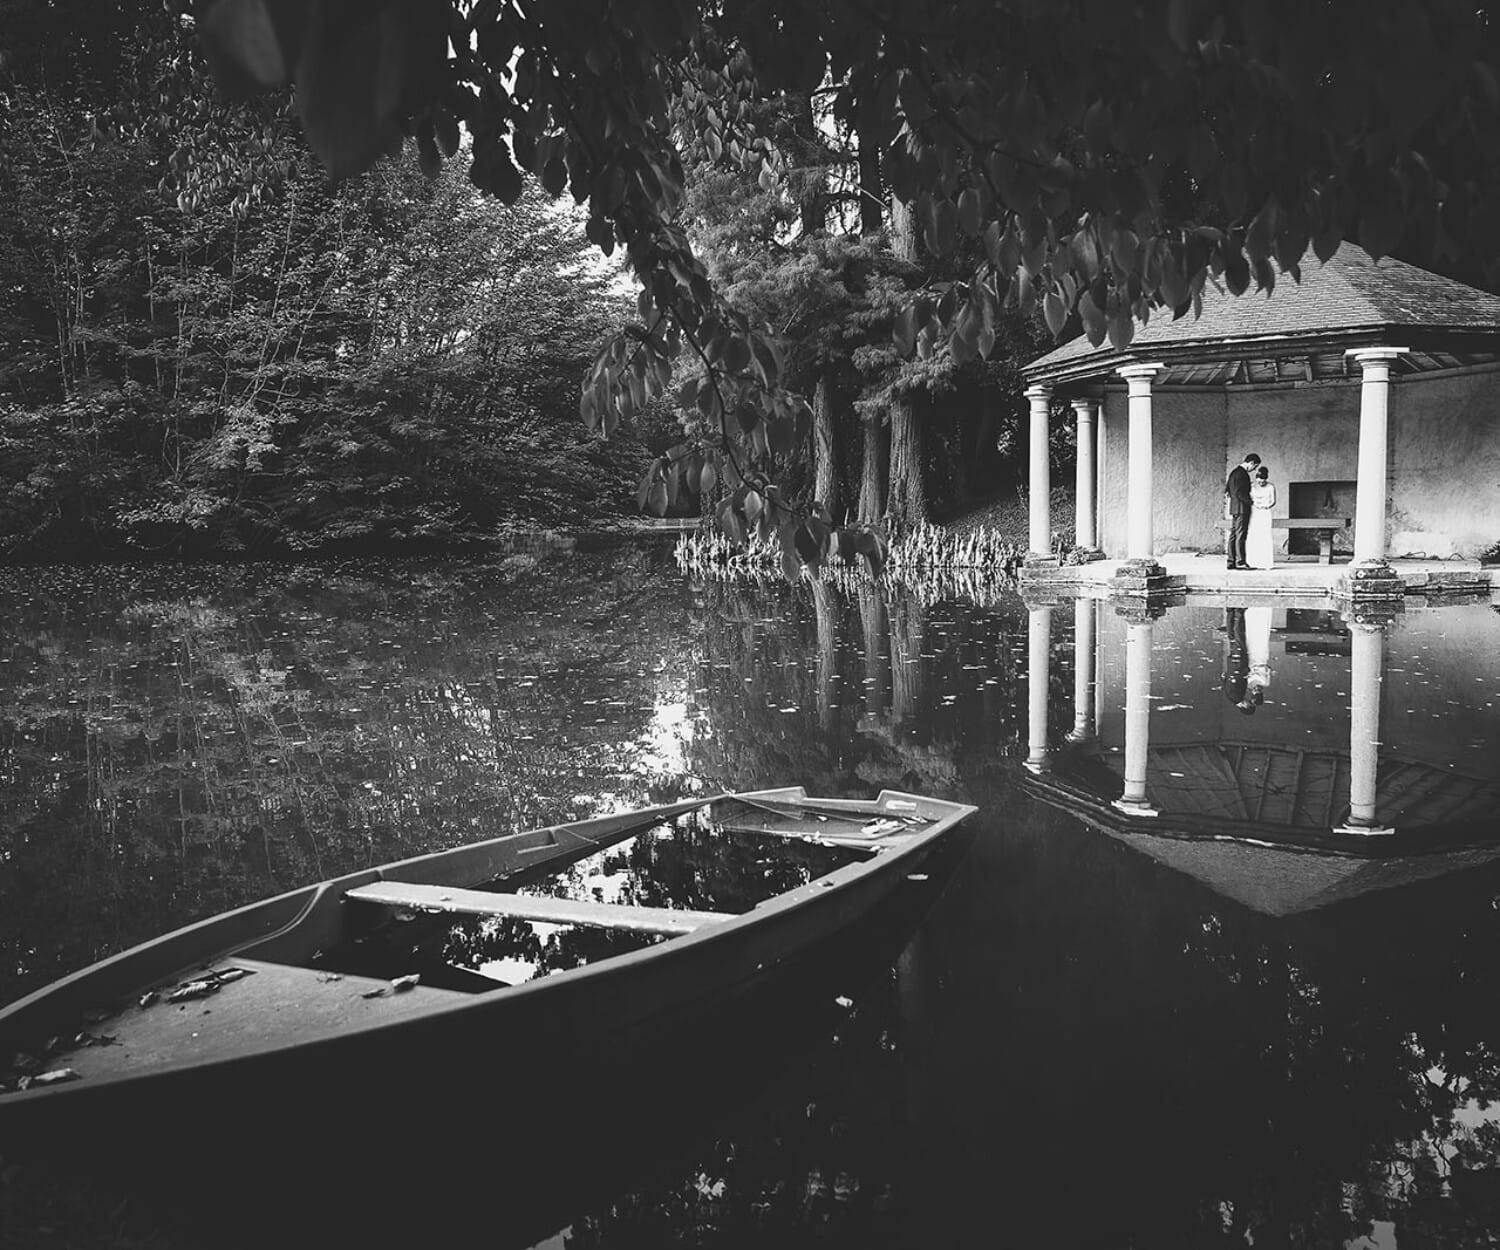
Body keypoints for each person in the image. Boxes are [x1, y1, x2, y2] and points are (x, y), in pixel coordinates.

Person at [1222, 452, 1261, 570]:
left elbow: (1228, 491)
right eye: (1255, 467)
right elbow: (1240, 493)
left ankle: (1231, 561)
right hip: (1242, 508)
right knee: (1241, 535)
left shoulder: (1234, 472)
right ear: (1251, 463)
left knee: (1233, 535)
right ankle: (1240, 561)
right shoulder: (1242, 474)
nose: (1254, 469)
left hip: (1234, 508)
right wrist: (1251, 502)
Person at [1245, 465, 1277, 569]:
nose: (1261, 483)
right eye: (1259, 481)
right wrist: (1255, 505)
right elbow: (1249, 499)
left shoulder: (1271, 487)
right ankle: (1253, 561)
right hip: (1255, 512)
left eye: (1263, 481)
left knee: (1265, 536)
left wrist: (1266, 506)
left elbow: (1273, 501)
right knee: (1254, 536)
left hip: (1265, 512)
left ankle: (1265, 562)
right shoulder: (1252, 487)